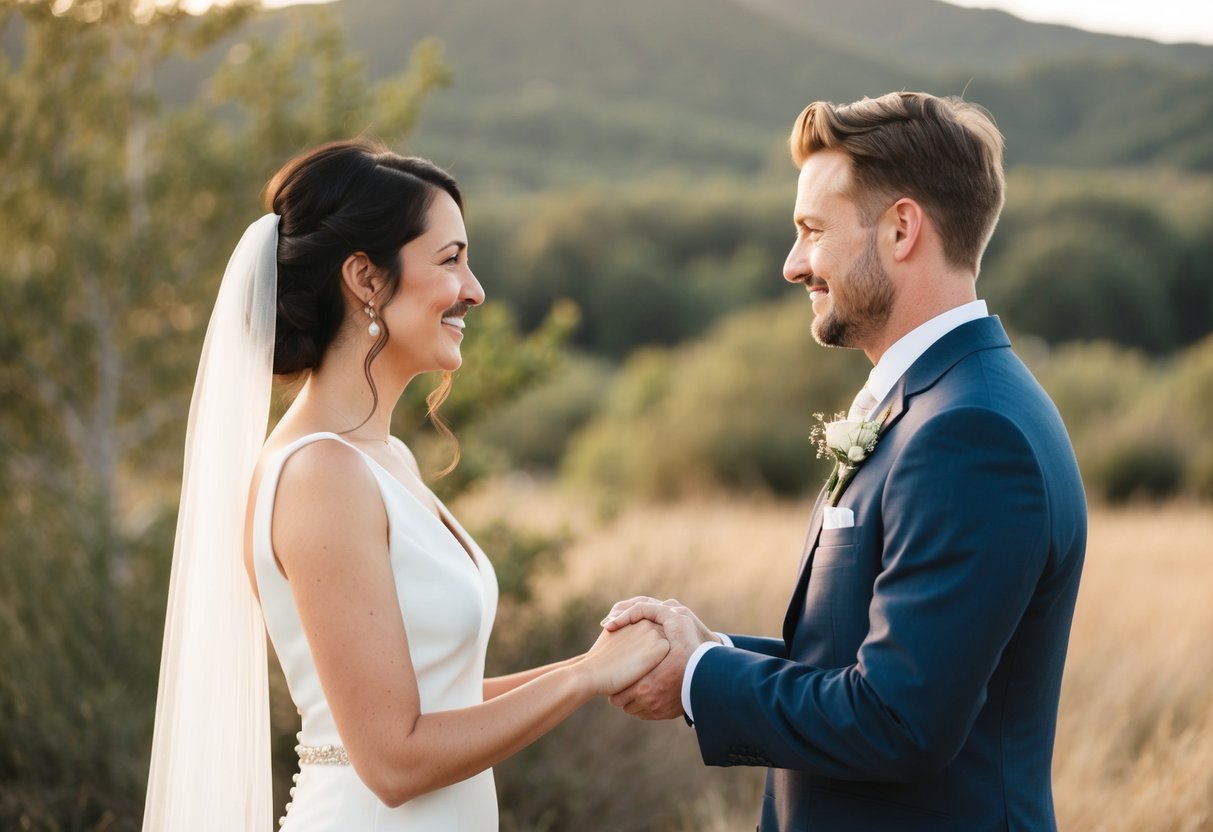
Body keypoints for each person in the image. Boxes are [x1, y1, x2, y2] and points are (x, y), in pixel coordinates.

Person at [142, 139, 669, 831]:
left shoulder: (382, 458)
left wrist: (599, 666)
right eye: (450, 260)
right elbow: (394, 762)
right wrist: (581, 679)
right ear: (365, 277)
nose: (474, 289)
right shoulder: (319, 474)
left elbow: (433, 701)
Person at [602, 92, 1086, 831]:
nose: (793, 264)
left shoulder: (970, 433)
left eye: (811, 231)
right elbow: (867, 658)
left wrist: (698, 678)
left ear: (900, 228)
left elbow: (898, 719)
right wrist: (708, 647)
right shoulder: (933, 403)